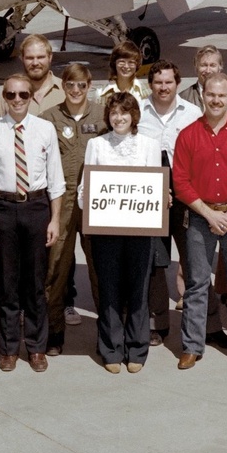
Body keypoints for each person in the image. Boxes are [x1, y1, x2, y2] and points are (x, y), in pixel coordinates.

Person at [0, 74, 65, 373]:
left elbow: (56, 180)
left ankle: (37, 348)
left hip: (37, 207)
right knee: (9, 282)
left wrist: (54, 219)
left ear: (29, 97)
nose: (17, 101)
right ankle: (9, 348)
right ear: (4, 96)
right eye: (11, 95)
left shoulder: (45, 129)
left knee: (36, 284)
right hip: (4, 208)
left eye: (23, 95)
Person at [172, 73, 227, 370]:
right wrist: (209, 214)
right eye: (211, 94)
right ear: (203, 95)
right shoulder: (187, 135)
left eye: (222, 95)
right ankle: (192, 346)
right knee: (197, 284)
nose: (216, 100)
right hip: (200, 217)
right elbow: (181, 181)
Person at [82, 92, 162, 373]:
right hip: (106, 231)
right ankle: (111, 348)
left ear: (134, 115)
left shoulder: (150, 146)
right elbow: (84, 189)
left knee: (139, 289)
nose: (119, 118)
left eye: (124, 112)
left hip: (140, 231)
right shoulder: (96, 145)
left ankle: (137, 348)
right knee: (110, 288)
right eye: (114, 113)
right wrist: (92, 205)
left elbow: (156, 185)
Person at [40, 63, 108, 353]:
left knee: (101, 270)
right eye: (71, 85)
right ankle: (54, 333)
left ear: (90, 85)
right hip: (63, 201)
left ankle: (108, 336)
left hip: (97, 200)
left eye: (82, 85)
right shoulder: (49, 118)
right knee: (55, 268)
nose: (76, 90)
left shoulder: (103, 116)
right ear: (63, 86)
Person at [136, 60, 201, 346]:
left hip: (185, 193)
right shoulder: (138, 110)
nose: (163, 87)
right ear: (150, 84)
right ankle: (156, 323)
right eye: (158, 82)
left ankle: (204, 325)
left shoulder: (193, 113)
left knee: (194, 259)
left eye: (169, 82)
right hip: (149, 194)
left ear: (178, 83)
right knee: (154, 261)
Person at [0, 34, 65, 118]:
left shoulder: (66, 92)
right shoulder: (9, 96)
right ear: (22, 59)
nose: (35, 63)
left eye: (40, 57)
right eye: (30, 58)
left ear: (50, 57)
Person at [180, 45, 227, 120]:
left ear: (220, 67)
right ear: (196, 67)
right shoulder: (183, 98)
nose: (208, 71)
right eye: (203, 65)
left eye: (212, 65)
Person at [98, 40, 149, 106]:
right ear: (114, 63)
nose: (126, 66)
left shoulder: (147, 92)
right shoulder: (101, 94)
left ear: (137, 65)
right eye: (122, 62)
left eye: (131, 62)